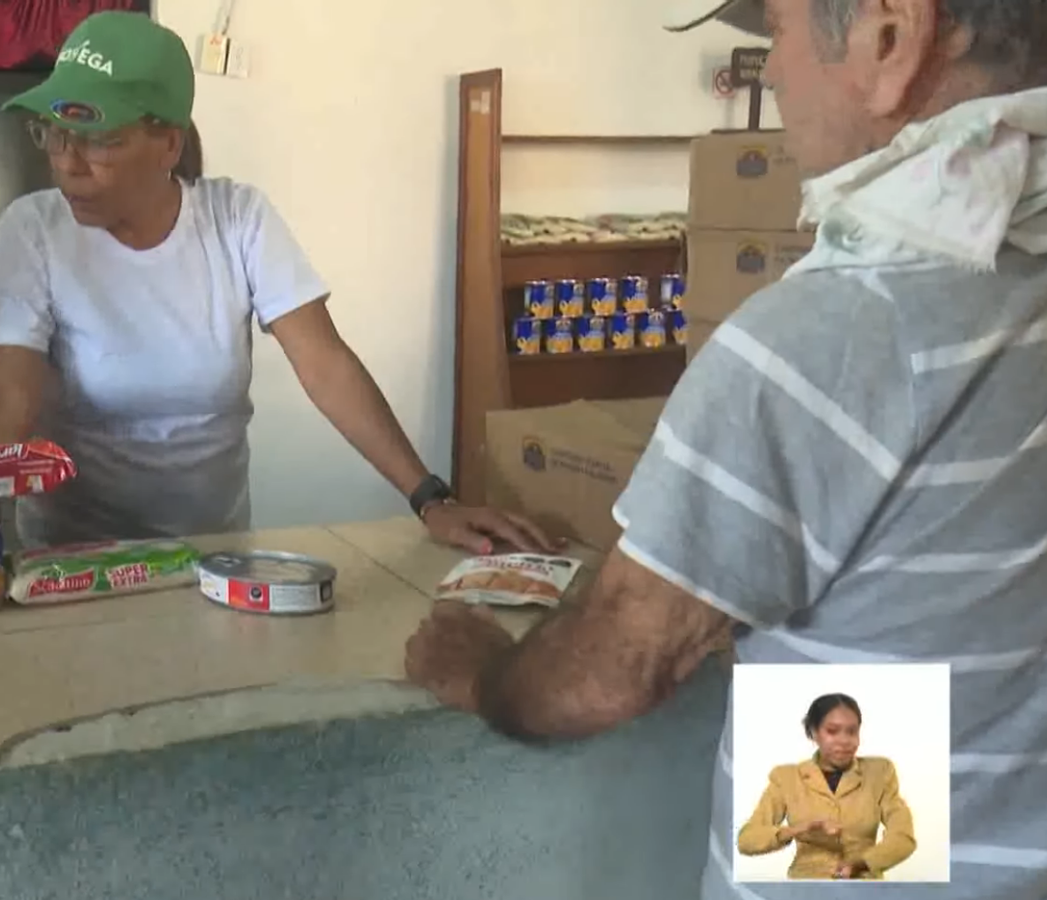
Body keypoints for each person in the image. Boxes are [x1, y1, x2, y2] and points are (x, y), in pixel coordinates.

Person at [401, 1, 1047, 898]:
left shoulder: (840, 334)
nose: (771, 72)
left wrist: (481, 675)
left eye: (775, 31)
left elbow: (615, 669)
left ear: (891, 39)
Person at [0, 12, 556, 596]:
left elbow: (324, 364)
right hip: (69, 571)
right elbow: (9, 402)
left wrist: (430, 498)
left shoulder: (236, 220)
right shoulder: (36, 229)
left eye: (97, 140)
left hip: (212, 561)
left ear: (168, 144)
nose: (67, 163)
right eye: (53, 136)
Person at [737, 694, 915, 880]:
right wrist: (800, 829)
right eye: (832, 731)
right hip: (807, 888)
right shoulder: (786, 778)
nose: (844, 740)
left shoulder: (880, 772)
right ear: (814, 732)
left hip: (864, 887)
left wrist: (862, 863)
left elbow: (903, 838)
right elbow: (747, 840)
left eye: (852, 731)